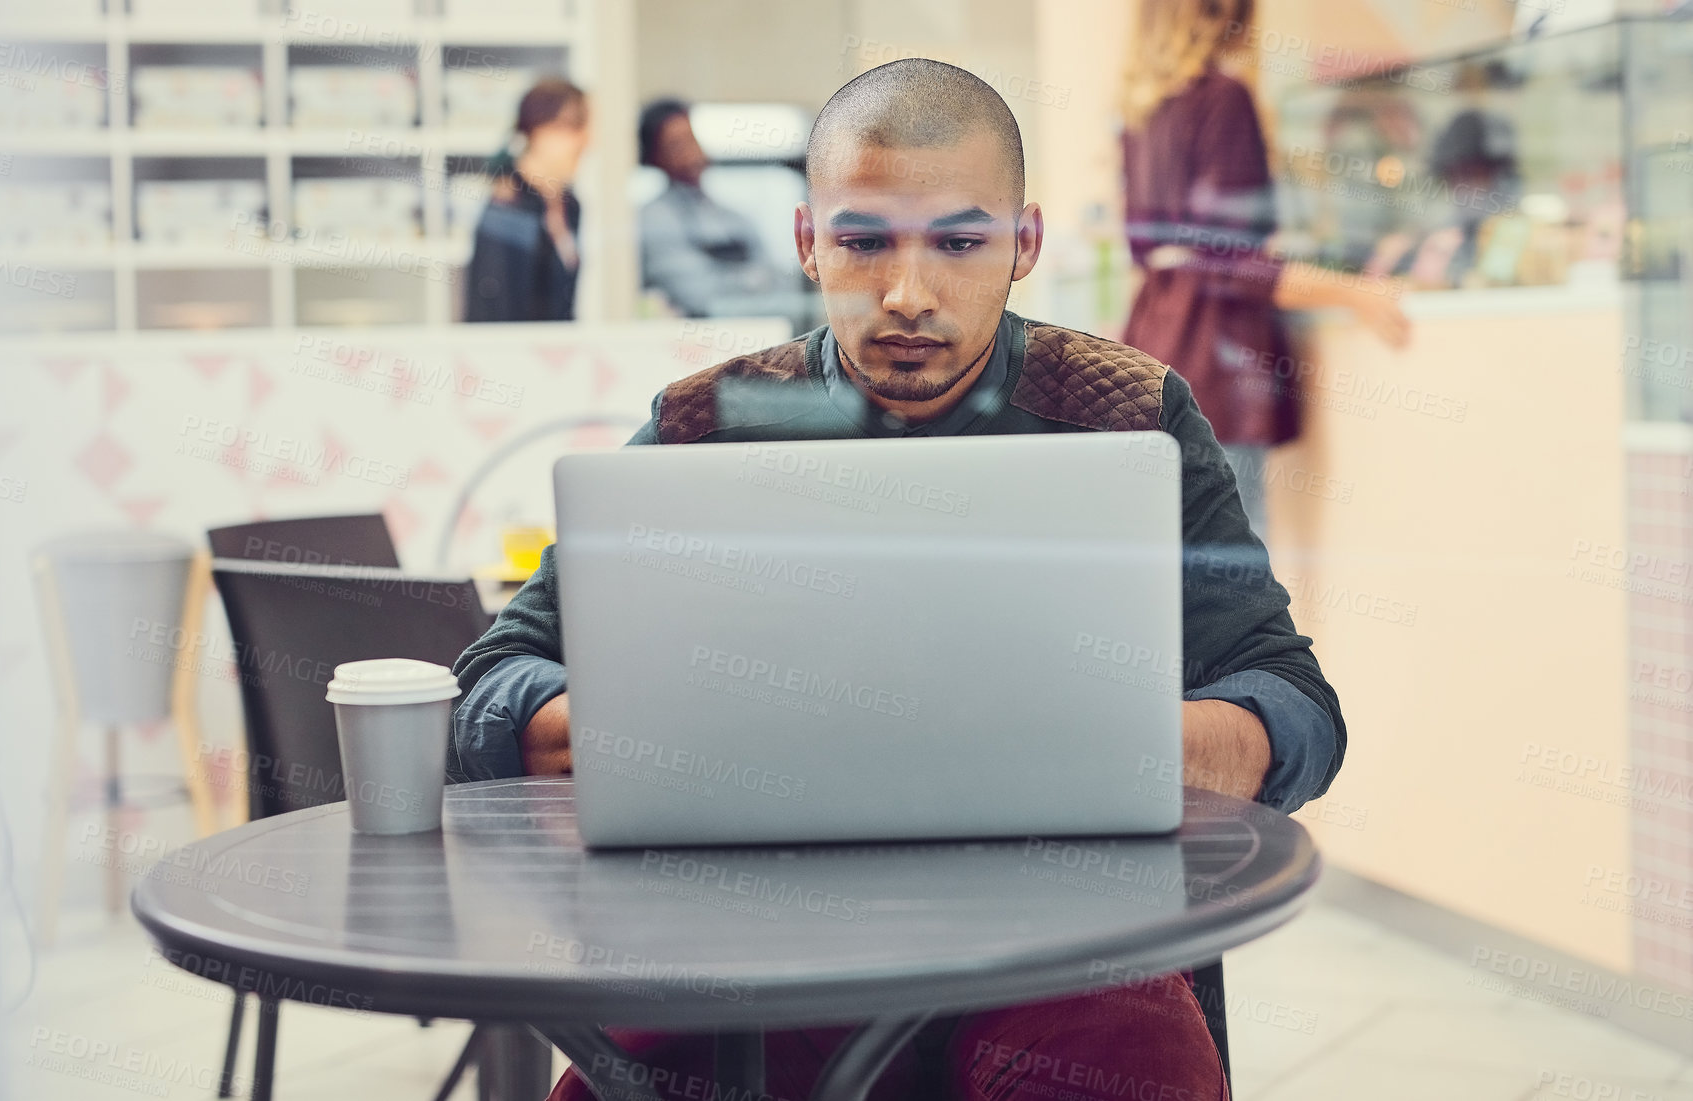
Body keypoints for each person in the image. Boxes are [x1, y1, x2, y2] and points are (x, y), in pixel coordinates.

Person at [451, 58, 1346, 1101]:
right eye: (862, 241)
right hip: (756, 943)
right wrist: (618, 727)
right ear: (806, 242)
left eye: (960, 242)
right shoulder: (710, 422)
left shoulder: (1131, 413)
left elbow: (1298, 709)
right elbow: (490, 681)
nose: (906, 294)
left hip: (1066, 942)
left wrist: (1139, 746)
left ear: (1024, 244)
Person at [1119, 0, 1410, 539]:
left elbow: (1145, 248)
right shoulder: (1223, 97)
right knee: (1233, 572)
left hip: (1153, 347)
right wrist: (1353, 292)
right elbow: (1230, 262)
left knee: (1174, 561)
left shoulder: (1142, 111)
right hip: (1216, 361)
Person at [636, 98, 785, 317]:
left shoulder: (733, 217)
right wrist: (752, 280)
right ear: (653, 157)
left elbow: (780, 285)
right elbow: (698, 296)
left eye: (691, 138)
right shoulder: (652, 220)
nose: (690, 153)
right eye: (675, 145)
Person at [463, 78, 589, 322]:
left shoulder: (570, 205)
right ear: (536, 129)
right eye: (574, 125)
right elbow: (494, 313)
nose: (585, 141)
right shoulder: (508, 207)